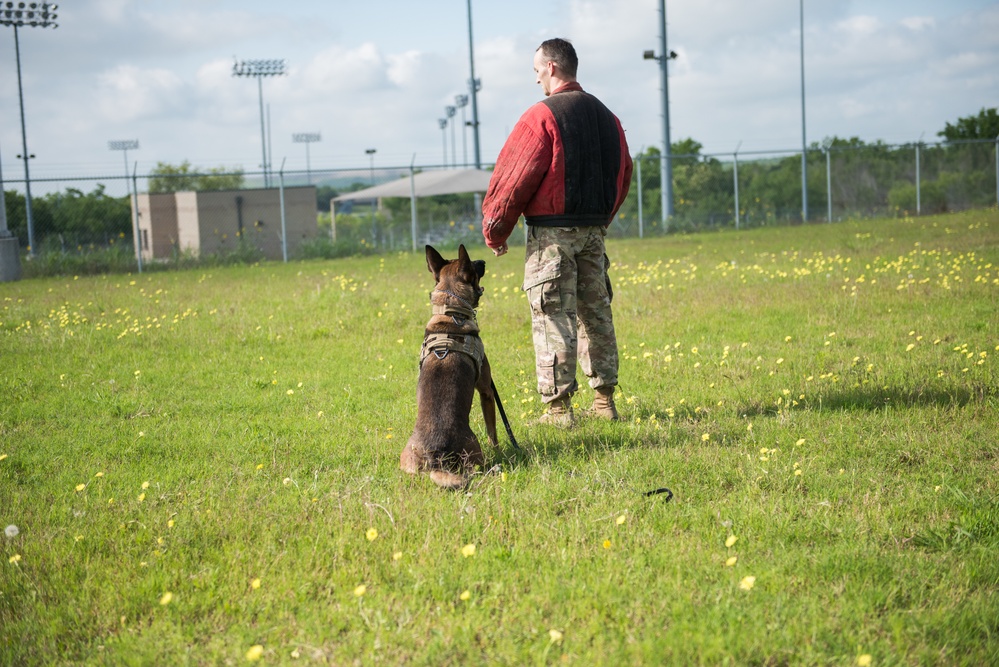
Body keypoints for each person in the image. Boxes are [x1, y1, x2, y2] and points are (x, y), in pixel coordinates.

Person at [481, 37, 633, 427]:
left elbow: (514, 177)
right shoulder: (608, 118)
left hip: (552, 238)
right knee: (596, 315)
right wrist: (602, 218)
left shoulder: (541, 117)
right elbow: (624, 173)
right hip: (593, 233)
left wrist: (496, 229)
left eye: (536, 71)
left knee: (553, 316)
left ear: (551, 67)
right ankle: (604, 403)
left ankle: (559, 411)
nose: (536, 80)